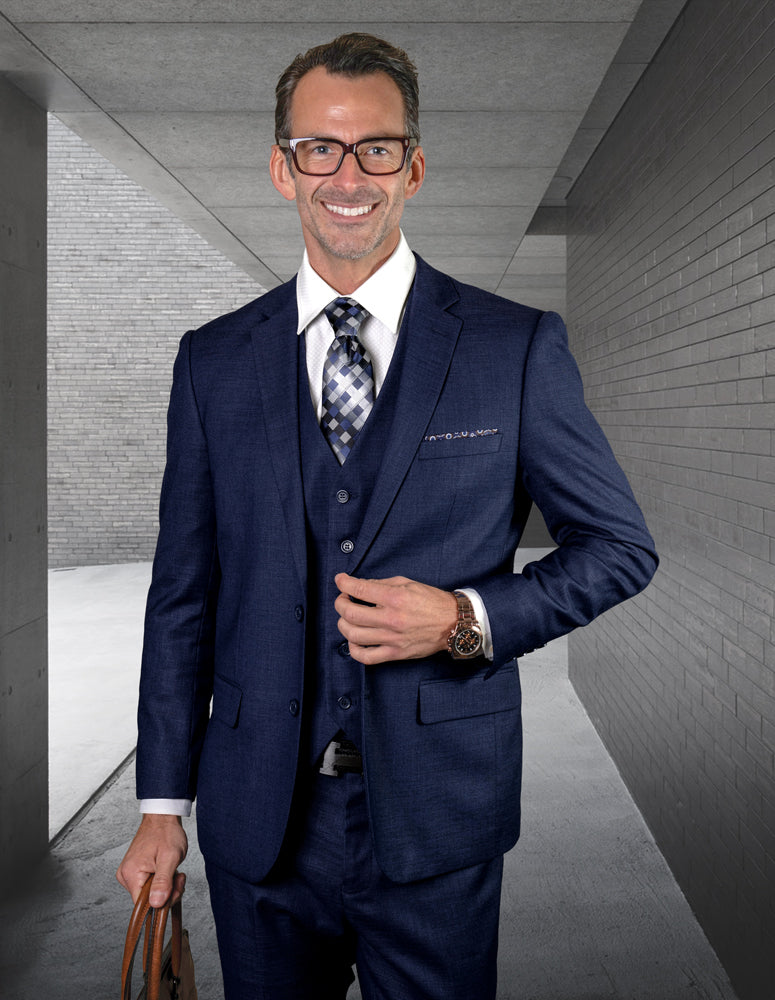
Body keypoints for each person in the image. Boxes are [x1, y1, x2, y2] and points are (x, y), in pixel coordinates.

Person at [117, 31, 658, 999]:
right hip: (259, 822)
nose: (347, 174)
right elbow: (182, 596)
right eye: (319, 148)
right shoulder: (212, 361)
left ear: (414, 166)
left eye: (375, 148)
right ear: (283, 169)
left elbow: (619, 546)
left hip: (437, 817)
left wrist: (465, 617)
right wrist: (162, 803)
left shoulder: (514, 347)